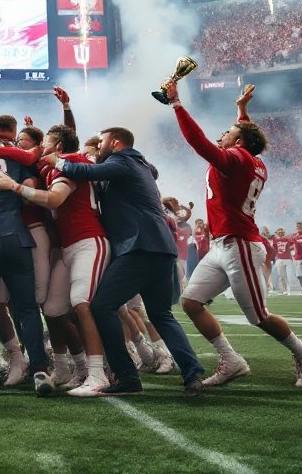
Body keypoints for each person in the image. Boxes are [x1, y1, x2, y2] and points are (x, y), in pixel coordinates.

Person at [166, 82, 302, 390]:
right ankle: (231, 360)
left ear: (238, 142)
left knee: (258, 316)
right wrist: (242, 110)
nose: (222, 134)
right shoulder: (250, 158)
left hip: (240, 245)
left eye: (229, 131)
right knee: (191, 302)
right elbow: (244, 136)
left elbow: (199, 143)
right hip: (223, 244)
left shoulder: (236, 157)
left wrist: (177, 104)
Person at [45, 123, 206, 397]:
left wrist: (57, 161)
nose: (99, 147)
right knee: (161, 314)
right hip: (161, 248)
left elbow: (84, 171)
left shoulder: (123, 160)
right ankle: (192, 374)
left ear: (116, 143)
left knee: (102, 306)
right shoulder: (139, 164)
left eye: (102, 142)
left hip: (139, 246)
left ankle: (127, 376)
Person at [0, 124, 111, 397]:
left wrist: (13, 186)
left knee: (82, 304)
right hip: (65, 245)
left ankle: (98, 373)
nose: (41, 148)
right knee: (53, 310)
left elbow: (54, 199)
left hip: (88, 240)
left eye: (48, 143)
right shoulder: (49, 167)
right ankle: (66, 368)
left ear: (59, 147)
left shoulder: (70, 162)